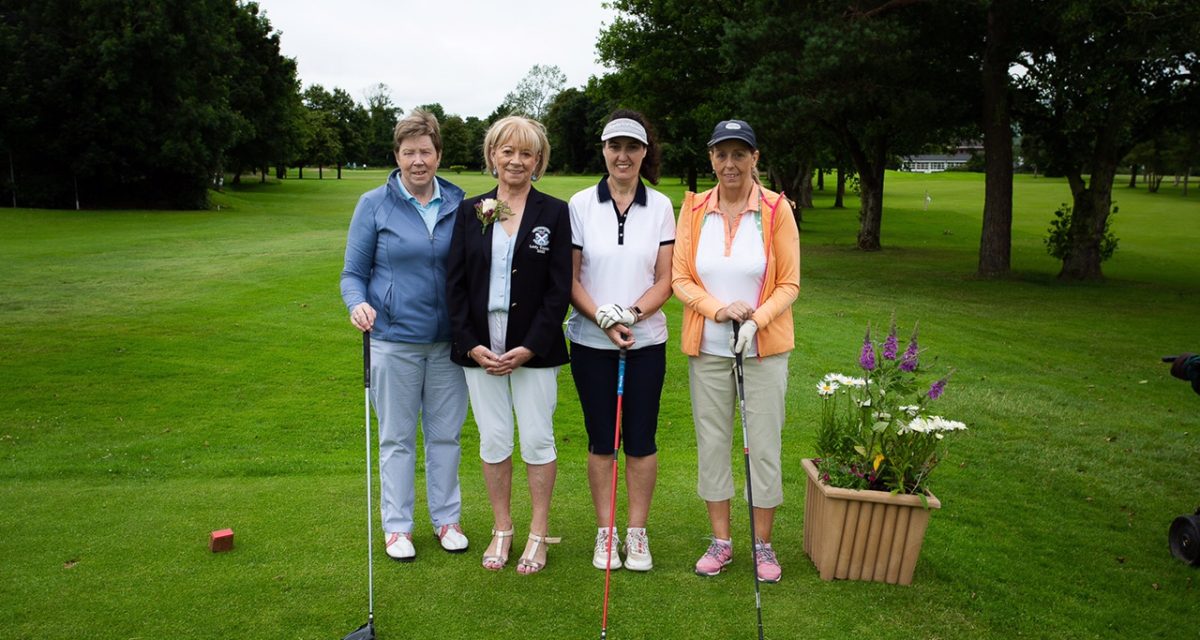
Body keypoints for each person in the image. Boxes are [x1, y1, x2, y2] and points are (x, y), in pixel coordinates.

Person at [671, 119, 800, 583]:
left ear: (754, 159)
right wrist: (720, 310)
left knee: (763, 446)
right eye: (721, 154)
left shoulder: (776, 208)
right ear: (711, 158)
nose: (730, 163)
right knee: (713, 444)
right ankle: (721, 540)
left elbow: (789, 283)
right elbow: (681, 278)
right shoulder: (693, 209)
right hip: (707, 347)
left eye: (739, 154)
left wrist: (755, 320)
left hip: (763, 349)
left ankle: (763, 545)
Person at [340, 109, 470, 562]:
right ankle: (397, 527)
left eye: (426, 151)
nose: (418, 160)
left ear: (439, 154)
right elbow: (353, 274)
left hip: (449, 343)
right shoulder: (374, 204)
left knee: (446, 436)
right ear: (397, 155)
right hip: (393, 340)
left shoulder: (461, 203)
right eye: (409, 152)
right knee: (396, 437)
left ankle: (447, 520)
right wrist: (357, 303)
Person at [446, 115, 572, 575]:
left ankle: (538, 534)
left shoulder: (555, 213)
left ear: (538, 161)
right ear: (492, 156)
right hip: (480, 348)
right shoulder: (471, 210)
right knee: (494, 438)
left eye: (526, 153)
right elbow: (455, 285)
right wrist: (471, 343)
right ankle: (503, 528)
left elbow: (560, 289)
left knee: (537, 439)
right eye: (507, 151)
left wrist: (532, 345)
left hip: (533, 350)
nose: (515, 160)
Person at [566, 110, 675, 572]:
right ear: (604, 151)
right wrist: (603, 318)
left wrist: (630, 314)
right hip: (591, 343)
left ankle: (637, 532)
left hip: (646, 341)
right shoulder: (579, 204)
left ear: (644, 152)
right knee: (601, 442)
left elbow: (667, 278)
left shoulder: (663, 207)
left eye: (633, 147)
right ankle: (606, 532)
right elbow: (570, 280)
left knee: (642, 441)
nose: (623, 155)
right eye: (615, 147)